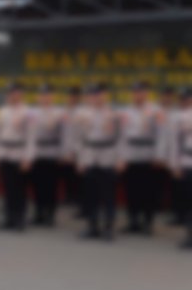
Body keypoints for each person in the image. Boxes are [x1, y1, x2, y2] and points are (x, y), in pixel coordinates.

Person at [75, 83, 123, 241]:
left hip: (108, 155)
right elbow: (79, 138)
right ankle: (92, 226)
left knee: (108, 195)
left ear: (105, 95)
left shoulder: (115, 113)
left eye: (99, 94)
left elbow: (121, 137)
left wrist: (120, 158)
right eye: (93, 94)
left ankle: (108, 227)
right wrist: (80, 160)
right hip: (89, 156)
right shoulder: (83, 114)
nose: (96, 97)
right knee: (90, 195)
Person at [120, 80, 163, 235]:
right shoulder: (126, 111)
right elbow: (122, 136)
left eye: (140, 91)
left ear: (147, 93)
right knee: (131, 190)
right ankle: (133, 221)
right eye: (135, 92)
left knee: (148, 191)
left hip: (148, 154)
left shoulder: (156, 110)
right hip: (131, 154)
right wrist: (121, 157)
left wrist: (159, 155)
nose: (137, 94)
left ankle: (148, 223)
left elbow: (161, 135)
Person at [0, 83, 33, 232]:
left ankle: (19, 218)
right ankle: (9, 218)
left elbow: (31, 137)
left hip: (19, 153)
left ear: (21, 94)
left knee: (19, 188)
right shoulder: (1, 111)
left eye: (15, 93)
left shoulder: (28, 112)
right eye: (9, 93)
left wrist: (28, 158)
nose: (12, 96)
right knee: (8, 187)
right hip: (4, 152)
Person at [28, 85, 68, 227]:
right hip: (36, 152)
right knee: (37, 185)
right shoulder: (32, 112)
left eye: (47, 95)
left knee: (51, 186)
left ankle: (50, 215)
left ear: (52, 97)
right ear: (38, 97)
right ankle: (39, 213)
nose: (45, 98)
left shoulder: (59, 113)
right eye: (42, 95)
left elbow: (64, 135)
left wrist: (63, 153)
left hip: (52, 152)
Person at [166, 88, 192, 249]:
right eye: (183, 98)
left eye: (187, 98)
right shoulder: (178, 117)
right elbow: (175, 141)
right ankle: (190, 235)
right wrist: (175, 164)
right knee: (189, 202)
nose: (185, 101)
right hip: (187, 161)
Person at [62, 86, 85, 218]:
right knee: (68, 175)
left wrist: (75, 151)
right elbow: (65, 133)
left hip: (78, 151)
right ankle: (70, 197)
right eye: (69, 96)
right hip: (67, 149)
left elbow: (80, 134)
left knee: (80, 179)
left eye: (73, 96)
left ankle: (81, 202)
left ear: (77, 97)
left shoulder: (81, 112)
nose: (71, 98)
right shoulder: (66, 111)